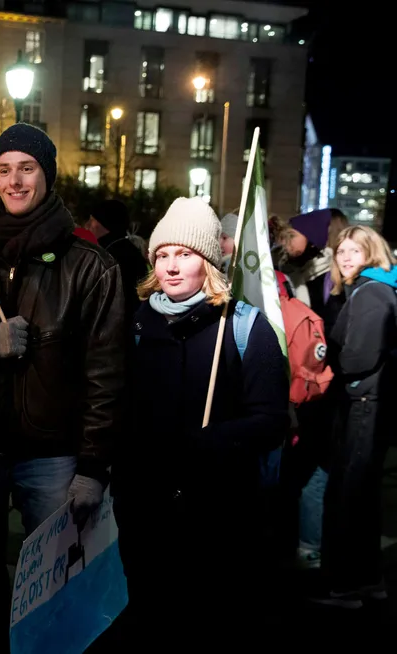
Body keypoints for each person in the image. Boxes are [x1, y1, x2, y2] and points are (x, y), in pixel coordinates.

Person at [0, 123, 126, 649]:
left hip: (53, 455)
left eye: (26, 168)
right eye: (4, 170)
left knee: (59, 585)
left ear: (47, 174)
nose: (14, 180)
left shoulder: (91, 267)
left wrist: (92, 466)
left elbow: (104, 374)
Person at [114, 198, 289, 645]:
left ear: (208, 261)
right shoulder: (135, 325)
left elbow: (271, 422)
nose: (172, 266)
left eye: (186, 254)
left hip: (219, 517)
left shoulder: (247, 327)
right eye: (163, 254)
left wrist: (213, 441)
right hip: (145, 515)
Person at [314, 225, 396, 608]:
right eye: (340, 250)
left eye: (354, 250)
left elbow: (360, 357)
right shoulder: (374, 288)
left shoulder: (371, 292)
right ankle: (366, 579)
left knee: (349, 496)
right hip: (367, 404)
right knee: (360, 498)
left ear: (372, 253)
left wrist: (330, 358)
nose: (345, 257)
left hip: (364, 406)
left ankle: (345, 585)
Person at [84, 199, 148, 316]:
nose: (87, 225)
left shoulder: (114, 256)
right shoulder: (123, 249)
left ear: (106, 224)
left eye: (92, 220)